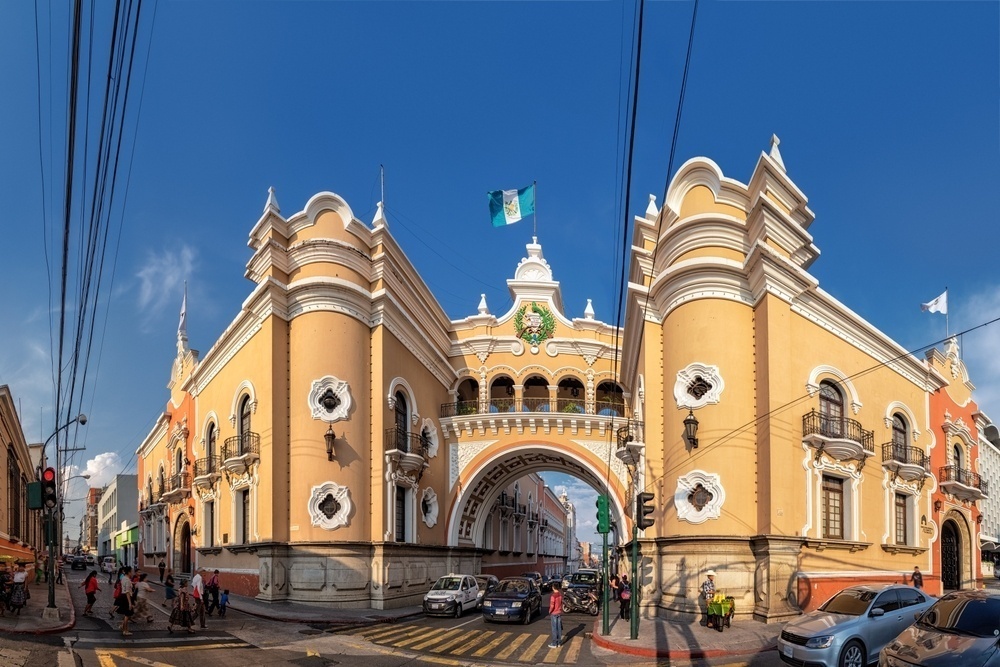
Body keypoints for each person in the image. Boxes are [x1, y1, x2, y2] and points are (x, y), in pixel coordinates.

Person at [114, 566, 135, 636]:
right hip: (127, 597)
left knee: (127, 615)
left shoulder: (123, 578)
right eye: (131, 572)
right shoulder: (128, 580)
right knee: (127, 615)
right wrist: (129, 603)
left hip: (123, 596)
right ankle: (125, 630)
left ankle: (123, 627)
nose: (132, 573)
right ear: (129, 572)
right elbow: (127, 592)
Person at [548, 582, 563, 648]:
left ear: (553, 587)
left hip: (554, 613)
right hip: (559, 613)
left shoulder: (553, 596)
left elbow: (552, 605)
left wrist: (549, 611)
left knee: (554, 628)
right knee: (559, 628)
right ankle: (559, 643)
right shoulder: (560, 594)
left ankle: (554, 643)